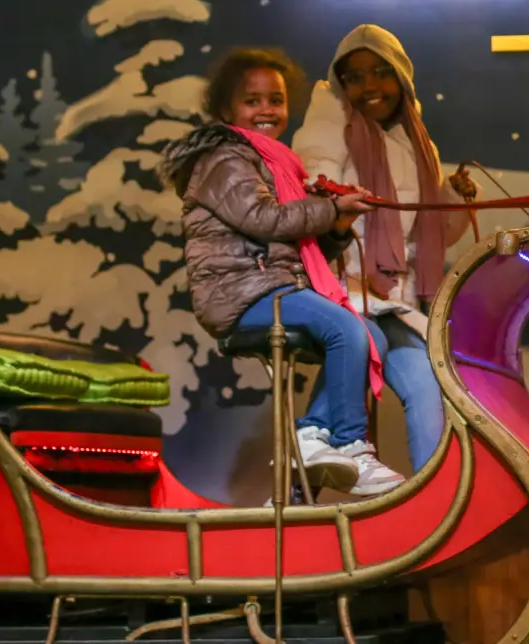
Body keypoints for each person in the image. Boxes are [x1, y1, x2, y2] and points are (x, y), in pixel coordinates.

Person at [158, 47, 407, 497]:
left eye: (275, 100)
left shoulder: (277, 162)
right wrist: (328, 207)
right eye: (252, 101)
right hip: (240, 291)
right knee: (347, 330)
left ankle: (310, 436)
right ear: (226, 109)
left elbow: (292, 242)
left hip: (272, 284)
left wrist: (336, 225)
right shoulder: (223, 157)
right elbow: (264, 220)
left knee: (371, 334)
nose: (266, 110)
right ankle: (350, 443)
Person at [292, 24, 479, 475]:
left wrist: (454, 197)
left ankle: (434, 505)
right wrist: (332, 201)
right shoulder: (330, 125)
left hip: (394, 299)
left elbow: (430, 234)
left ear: (402, 78)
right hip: (342, 291)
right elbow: (312, 199)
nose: (369, 86)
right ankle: (310, 438)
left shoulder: (417, 142)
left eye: (379, 73)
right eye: (354, 77)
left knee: (426, 388)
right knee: (362, 339)